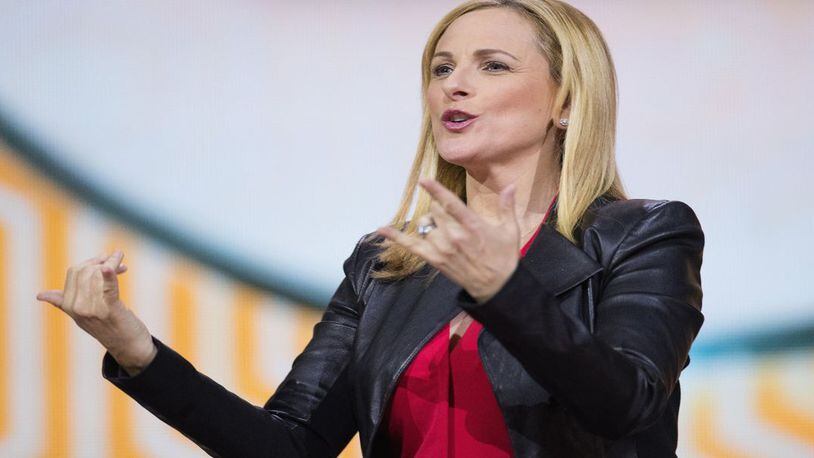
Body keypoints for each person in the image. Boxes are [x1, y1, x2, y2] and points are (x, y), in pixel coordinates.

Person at [36, 0, 704, 457]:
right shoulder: (388, 264)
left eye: (491, 65)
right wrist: (136, 351)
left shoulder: (640, 235)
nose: (453, 86)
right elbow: (290, 446)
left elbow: (624, 405)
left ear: (564, 101)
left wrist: (505, 291)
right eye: (441, 68)